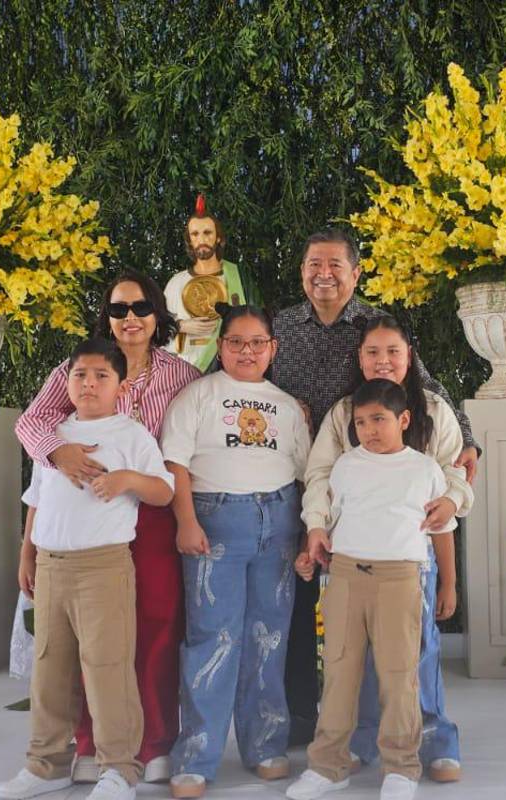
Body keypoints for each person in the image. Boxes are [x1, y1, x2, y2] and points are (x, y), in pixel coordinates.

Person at [272, 228, 479, 744]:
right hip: (304, 477)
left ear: (355, 272)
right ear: (302, 271)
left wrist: (468, 441)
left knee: (408, 638)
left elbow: (427, 389)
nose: (324, 274)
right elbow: (235, 374)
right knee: (308, 615)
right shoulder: (279, 327)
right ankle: (311, 723)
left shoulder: (373, 327)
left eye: (335, 265)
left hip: (382, 488)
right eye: (313, 264)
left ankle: (419, 735)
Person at [14, 273, 199, 783]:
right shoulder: (76, 369)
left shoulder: (181, 375)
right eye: (119, 309)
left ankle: (155, 741)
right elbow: (32, 422)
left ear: (158, 314)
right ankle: (89, 744)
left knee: (156, 625)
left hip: (150, 508)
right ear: (107, 316)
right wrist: (57, 450)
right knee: (85, 637)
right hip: (83, 514)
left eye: (141, 307)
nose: (130, 318)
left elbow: (202, 430)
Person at [0, 338, 176, 800]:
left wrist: (127, 480)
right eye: (80, 375)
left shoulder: (131, 435)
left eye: (101, 376)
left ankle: (119, 767)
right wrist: (27, 553)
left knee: (107, 666)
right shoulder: (53, 438)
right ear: (66, 382)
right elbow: (36, 500)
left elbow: (164, 490)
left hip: (104, 566)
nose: (89, 384)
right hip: (53, 566)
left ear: (121, 385)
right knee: (51, 667)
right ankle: (47, 762)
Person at [299, 315, 470, 782]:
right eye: (372, 352)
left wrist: (452, 500)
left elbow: (454, 474)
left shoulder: (433, 409)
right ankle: (358, 745)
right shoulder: (343, 413)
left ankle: (431, 743)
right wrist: (316, 526)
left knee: (416, 655)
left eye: (392, 351)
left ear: (408, 355)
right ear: (359, 358)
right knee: (349, 660)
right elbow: (320, 477)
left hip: (411, 554)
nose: (382, 361)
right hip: (354, 555)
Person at [160, 304, 311, 799]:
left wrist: (309, 533)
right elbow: (176, 465)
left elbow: (307, 472)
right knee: (213, 638)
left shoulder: (287, 406)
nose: (247, 351)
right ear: (220, 346)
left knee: (269, 636)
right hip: (215, 520)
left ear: (273, 349)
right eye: (236, 342)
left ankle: (266, 744)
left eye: (257, 343)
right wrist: (185, 520)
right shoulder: (197, 395)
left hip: (280, 520)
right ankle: (197, 755)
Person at [163, 195, 255, 370]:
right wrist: (180, 326)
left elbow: (259, 322)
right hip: (186, 372)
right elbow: (158, 329)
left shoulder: (238, 277)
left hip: (231, 372)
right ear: (189, 240)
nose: (201, 240)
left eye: (207, 233)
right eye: (195, 234)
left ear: (218, 237)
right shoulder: (176, 283)